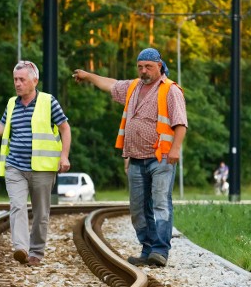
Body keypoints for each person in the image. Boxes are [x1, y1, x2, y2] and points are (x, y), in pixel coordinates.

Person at [73, 48, 187, 267]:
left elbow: (180, 122)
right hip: (135, 159)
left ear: (159, 66)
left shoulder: (170, 90)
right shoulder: (133, 87)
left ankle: (160, 251)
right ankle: (148, 249)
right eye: (140, 66)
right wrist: (88, 76)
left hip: (161, 157)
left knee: (161, 204)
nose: (143, 71)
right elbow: (110, 84)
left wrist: (176, 149)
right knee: (137, 208)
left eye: (148, 67)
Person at [0, 60, 71, 266]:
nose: (17, 83)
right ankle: (21, 248)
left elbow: (65, 127)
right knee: (18, 206)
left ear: (34, 80)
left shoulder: (48, 102)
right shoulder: (12, 103)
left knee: (41, 213)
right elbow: (2, 129)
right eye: (15, 79)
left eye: (22, 79)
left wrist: (64, 156)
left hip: (43, 168)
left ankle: (36, 252)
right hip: (15, 167)